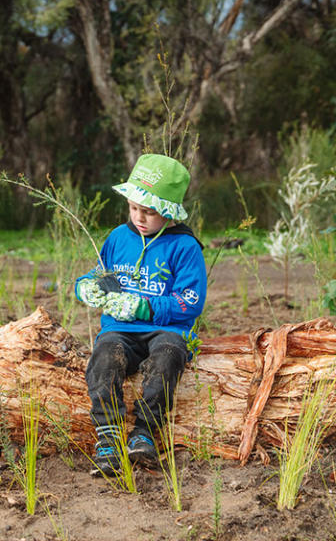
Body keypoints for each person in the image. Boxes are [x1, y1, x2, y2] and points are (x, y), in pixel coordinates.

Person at [74, 153, 208, 477]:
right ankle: (107, 437)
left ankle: (145, 432)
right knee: (104, 356)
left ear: (169, 211)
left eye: (149, 212)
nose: (139, 217)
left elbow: (191, 301)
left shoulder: (185, 247)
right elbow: (100, 274)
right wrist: (87, 286)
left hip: (166, 330)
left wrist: (146, 306)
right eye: (134, 208)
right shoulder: (119, 237)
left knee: (167, 358)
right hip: (120, 329)